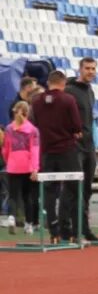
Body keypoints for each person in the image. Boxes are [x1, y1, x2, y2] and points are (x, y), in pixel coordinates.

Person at [29, 71, 83, 243]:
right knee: (73, 189)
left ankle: (54, 232)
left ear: (48, 82)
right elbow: (77, 126)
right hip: (67, 150)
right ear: (63, 82)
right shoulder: (68, 99)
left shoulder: (36, 101)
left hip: (47, 151)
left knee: (49, 192)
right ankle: (73, 232)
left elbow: (34, 123)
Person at [64, 57, 98, 242]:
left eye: (93, 68)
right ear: (80, 69)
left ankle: (84, 229)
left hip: (89, 147)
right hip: (74, 147)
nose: (91, 71)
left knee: (86, 190)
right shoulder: (69, 91)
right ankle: (69, 229)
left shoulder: (90, 91)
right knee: (72, 190)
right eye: (87, 68)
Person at [3, 100, 40, 235]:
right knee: (28, 196)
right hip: (28, 166)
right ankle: (28, 225)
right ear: (28, 113)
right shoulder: (33, 130)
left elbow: (6, 149)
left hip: (13, 165)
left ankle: (12, 217)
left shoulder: (8, 128)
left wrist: (9, 161)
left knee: (13, 195)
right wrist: (35, 168)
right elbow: (34, 149)